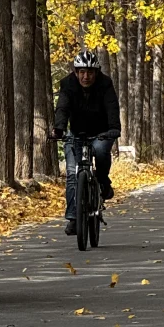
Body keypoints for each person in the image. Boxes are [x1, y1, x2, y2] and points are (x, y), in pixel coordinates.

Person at [53, 49, 120, 236]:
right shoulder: (67, 84)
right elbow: (62, 108)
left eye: (90, 72)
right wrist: (59, 129)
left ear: (96, 73)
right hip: (76, 133)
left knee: (100, 151)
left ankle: (103, 182)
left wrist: (114, 128)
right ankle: (74, 218)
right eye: (81, 72)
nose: (86, 76)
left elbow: (112, 107)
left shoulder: (105, 84)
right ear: (75, 72)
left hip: (101, 133)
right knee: (73, 174)